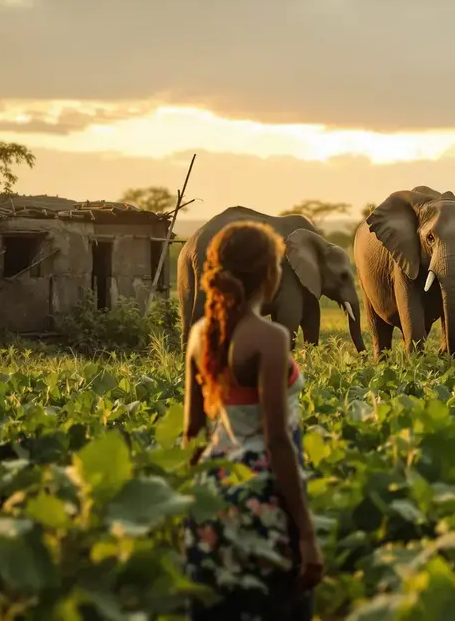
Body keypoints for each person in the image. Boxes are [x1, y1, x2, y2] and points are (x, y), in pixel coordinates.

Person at [180, 221, 323, 620]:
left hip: (211, 492)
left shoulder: (198, 335)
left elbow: (192, 433)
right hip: (263, 495)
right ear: (269, 274)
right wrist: (306, 534)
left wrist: (191, 504)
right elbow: (277, 441)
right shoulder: (271, 337)